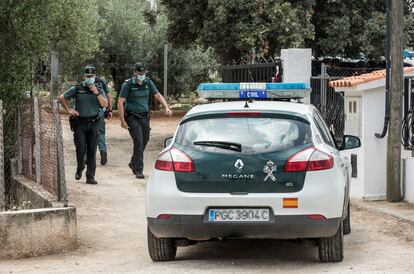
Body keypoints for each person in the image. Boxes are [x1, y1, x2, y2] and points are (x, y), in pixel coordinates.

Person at [118, 62, 172, 179]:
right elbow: (120, 102)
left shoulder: (148, 82)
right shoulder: (127, 85)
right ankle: (138, 170)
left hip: (144, 116)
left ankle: (133, 162)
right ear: (135, 73)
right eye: (139, 73)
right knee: (138, 141)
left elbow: (157, 95)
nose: (141, 75)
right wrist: (122, 120)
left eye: (143, 73)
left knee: (145, 139)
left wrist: (166, 106)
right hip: (132, 116)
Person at [59, 65, 108, 184]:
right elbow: (62, 97)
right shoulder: (78, 88)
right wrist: (68, 110)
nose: (90, 78)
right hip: (80, 124)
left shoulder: (99, 88)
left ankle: (90, 176)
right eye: (88, 76)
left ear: (95, 76)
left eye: (92, 76)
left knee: (92, 150)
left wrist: (96, 93)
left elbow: (105, 104)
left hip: (94, 123)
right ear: (84, 77)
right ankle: (80, 167)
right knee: (80, 149)